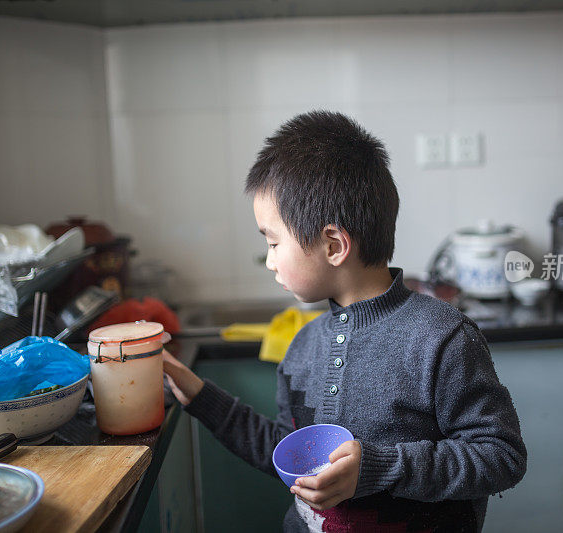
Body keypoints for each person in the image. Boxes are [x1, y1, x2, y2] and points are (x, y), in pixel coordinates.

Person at [162, 110, 527, 532]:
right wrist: (199, 396)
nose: (270, 261)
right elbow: (284, 454)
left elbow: (500, 455)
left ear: (334, 245)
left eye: (274, 242)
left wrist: (381, 466)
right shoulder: (302, 348)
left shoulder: (440, 338)